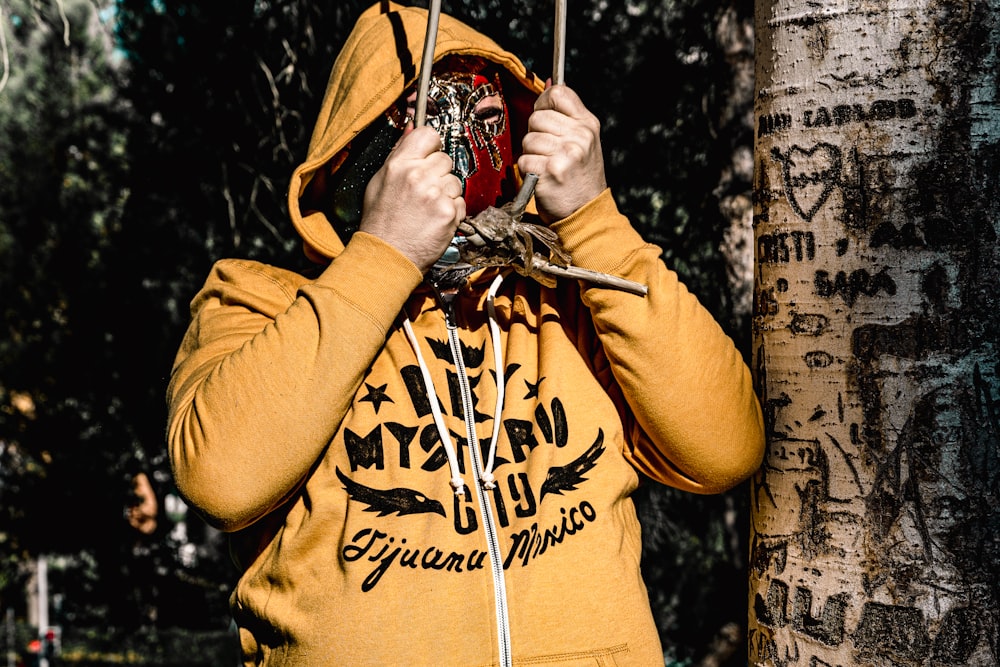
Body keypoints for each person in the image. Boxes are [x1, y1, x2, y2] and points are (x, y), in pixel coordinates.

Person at [166, 2, 765, 665]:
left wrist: (594, 219)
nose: (458, 153)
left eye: (486, 122)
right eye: (423, 129)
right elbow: (221, 477)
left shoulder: (568, 304)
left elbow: (726, 446)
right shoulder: (258, 300)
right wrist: (383, 255)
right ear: (348, 152)